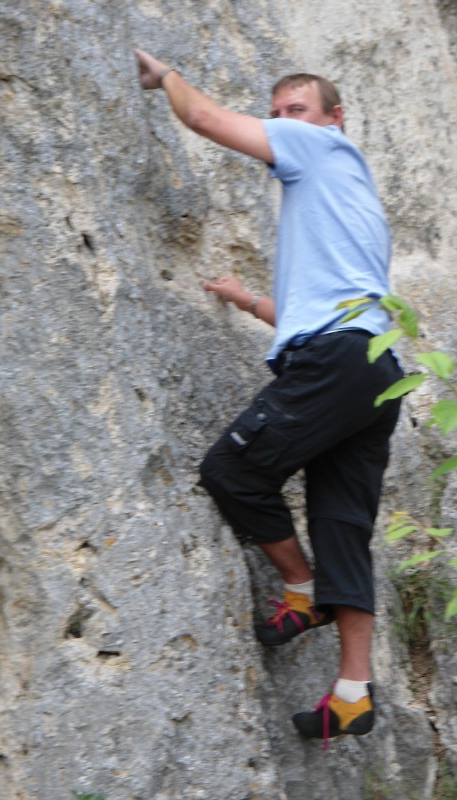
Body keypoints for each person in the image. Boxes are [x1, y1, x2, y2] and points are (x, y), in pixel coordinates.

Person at [136, 48, 404, 744]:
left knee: (232, 470)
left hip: (336, 362)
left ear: (332, 119)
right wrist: (249, 299)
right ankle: (352, 692)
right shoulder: (349, 196)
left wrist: (163, 74)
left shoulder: (315, 148)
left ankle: (299, 588)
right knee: (344, 527)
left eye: (296, 110)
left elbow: (199, 115)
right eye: (278, 112)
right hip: (375, 368)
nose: (283, 121)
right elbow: (317, 306)